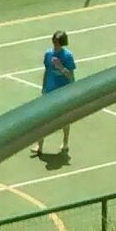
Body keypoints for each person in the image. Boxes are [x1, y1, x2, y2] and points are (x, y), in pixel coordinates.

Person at [35, 30, 76, 158]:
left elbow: (71, 76)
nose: (55, 45)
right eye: (54, 42)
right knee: (42, 118)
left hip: (62, 91)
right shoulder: (48, 54)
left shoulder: (68, 56)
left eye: (57, 43)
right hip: (49, 89)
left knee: (64, 118)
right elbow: (46, 71)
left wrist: (60, 67)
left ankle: (65, 142)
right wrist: (43, 88)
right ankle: (39, 145)